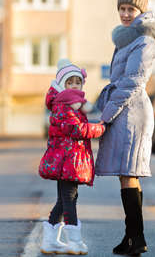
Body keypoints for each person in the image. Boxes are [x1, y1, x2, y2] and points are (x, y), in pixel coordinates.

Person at [95, 0, 155, 256]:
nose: (125, 14)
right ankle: (132, 237)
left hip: (132, 113)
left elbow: (132, 82)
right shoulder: (128, 37)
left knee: (129, 174)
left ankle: (136, 238)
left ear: (141, 10)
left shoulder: (144, 40)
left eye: (131, 8)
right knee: (128, 176)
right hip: (126, 110)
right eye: (122, 8)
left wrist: (106, 117)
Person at [39, 58, 106, 255]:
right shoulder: (63, 105)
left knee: (64, 200)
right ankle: (74, 242)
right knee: (69, 199)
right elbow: (75, 129)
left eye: (78, 82)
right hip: (66, 160)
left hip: (69, 160)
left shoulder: (72, 106)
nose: (75, 85)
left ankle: (49, 241)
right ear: (62, 85)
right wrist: (100, 128)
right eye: (70, 82)